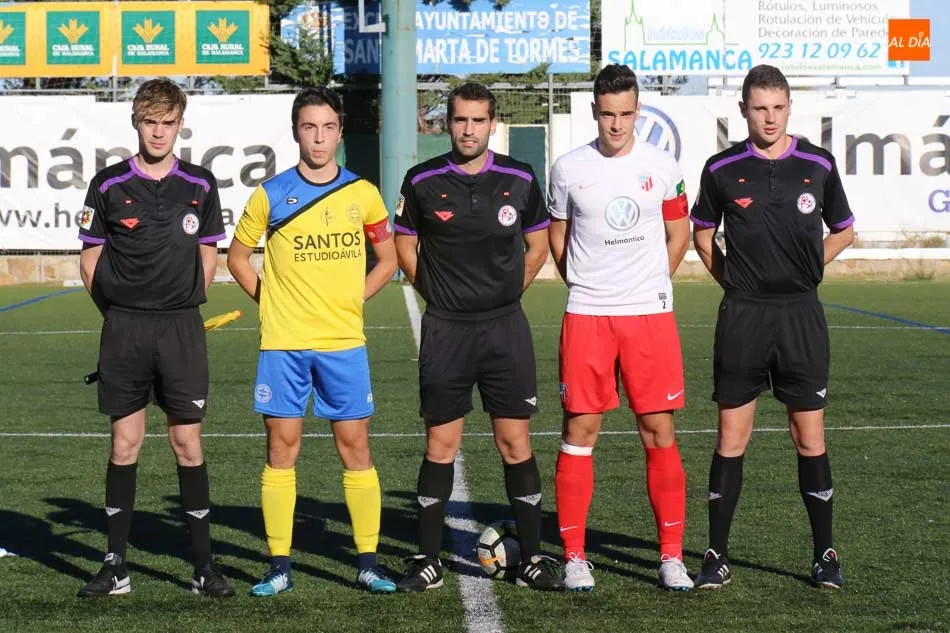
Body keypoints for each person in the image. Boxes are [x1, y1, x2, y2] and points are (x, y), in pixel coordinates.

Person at [227, 87, 399, 596]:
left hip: (343, 342)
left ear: (340, 132)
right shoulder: (270, 194)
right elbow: (237, 257)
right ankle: (279, 566)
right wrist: (272, 302)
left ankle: (368, 563)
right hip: (283, 344)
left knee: (356, 446)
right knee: (281, 448)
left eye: (327, 128)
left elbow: (388, 260)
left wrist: (352, 300)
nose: (319, 138)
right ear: (296, 132)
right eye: (309, 128)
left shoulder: (364, 194)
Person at [392, 82, 563, 592]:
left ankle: (532, 558)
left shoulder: (519, 177)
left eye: (478, 120)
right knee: (441, 443)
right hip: (446, 329)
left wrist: (505, 293)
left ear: (493, 123)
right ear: (448, 123)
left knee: (515, 442)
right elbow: (405, 245)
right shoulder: (421, 180)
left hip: (504, 328)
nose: (468, 130)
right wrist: (437, 295)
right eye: (460, 120)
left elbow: (537, 248)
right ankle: (427, 560)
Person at [690, 64, 855, 590]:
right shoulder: (721, 168)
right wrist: (735, 283)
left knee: (809, 436)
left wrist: (808, 267)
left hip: (800, 315)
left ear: (789, 108)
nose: (769, 118)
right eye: (759, 108)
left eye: (778, 108)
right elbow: (702, 236)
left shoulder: (817, 164)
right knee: (731, 436)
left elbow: (844, 230)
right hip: (743, 316)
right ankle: (716, 555)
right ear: (743, 109)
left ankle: (825, 555)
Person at [76, 78, 234, 598]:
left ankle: (203, 567)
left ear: (180, 124)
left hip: (180, 329)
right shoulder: (107, 184)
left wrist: (185, 301)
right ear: (136, 123)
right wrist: (118, 314)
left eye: (168, 122)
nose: (159, 132)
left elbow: (208, 252)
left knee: (187, 443)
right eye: (150, 122)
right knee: (124, 444)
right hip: (125, 328)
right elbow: (90, 260)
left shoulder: (201, 183)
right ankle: (115, 566)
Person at [547, 64, 693, 592]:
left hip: (648, 315)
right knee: (579, 431)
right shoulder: (568, 168)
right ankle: (574, 557)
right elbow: (558, 236)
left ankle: (671, 557)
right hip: (588, 314)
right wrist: (585, 285)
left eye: (626, 114)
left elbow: (679, 234)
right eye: (608, 114)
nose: (616, 124)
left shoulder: (663, 165)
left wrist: (649, 284)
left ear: (638, 111)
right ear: (595, 111)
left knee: (658, 430)